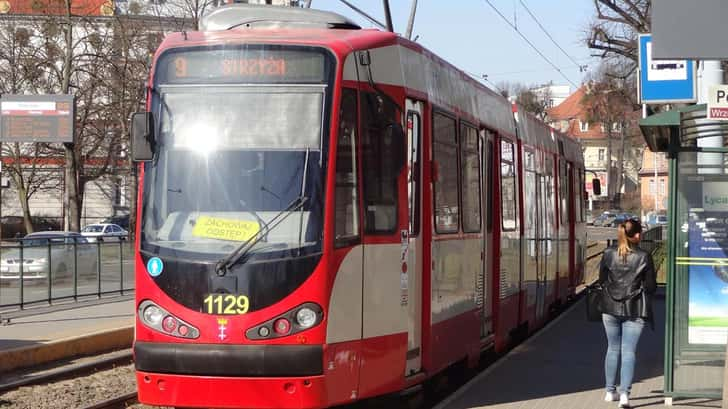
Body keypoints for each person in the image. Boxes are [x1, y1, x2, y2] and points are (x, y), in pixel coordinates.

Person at [598, 218, 657, 408]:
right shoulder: (644, 256)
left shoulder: (608, 253)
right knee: (629, 351)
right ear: (637, 235)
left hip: (609, 308)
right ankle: (624, 395)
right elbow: (651, 287)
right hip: (635, 308)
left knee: (612, 348)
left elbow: (602, 280)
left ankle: (609, 391)